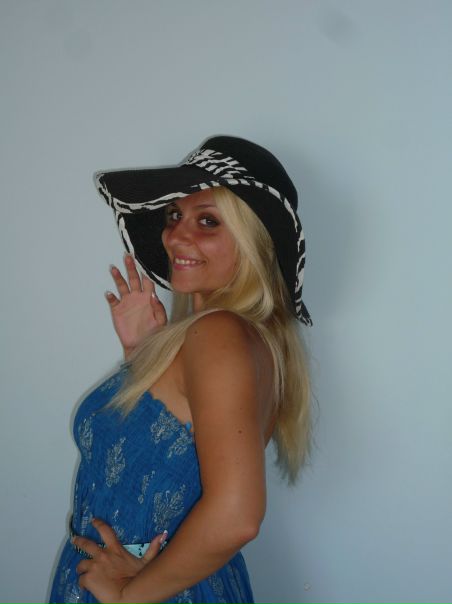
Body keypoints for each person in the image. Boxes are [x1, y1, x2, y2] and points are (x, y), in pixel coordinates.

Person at [48, 135, 313, 604]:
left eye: (208, 220)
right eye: (174, 215)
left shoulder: (219, 335)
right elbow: (171, 456)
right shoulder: (240, 338)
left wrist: (128, 597)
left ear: (254, 240)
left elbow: (237, 516)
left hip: (144, 590)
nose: (175, 236)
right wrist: (143, 357)